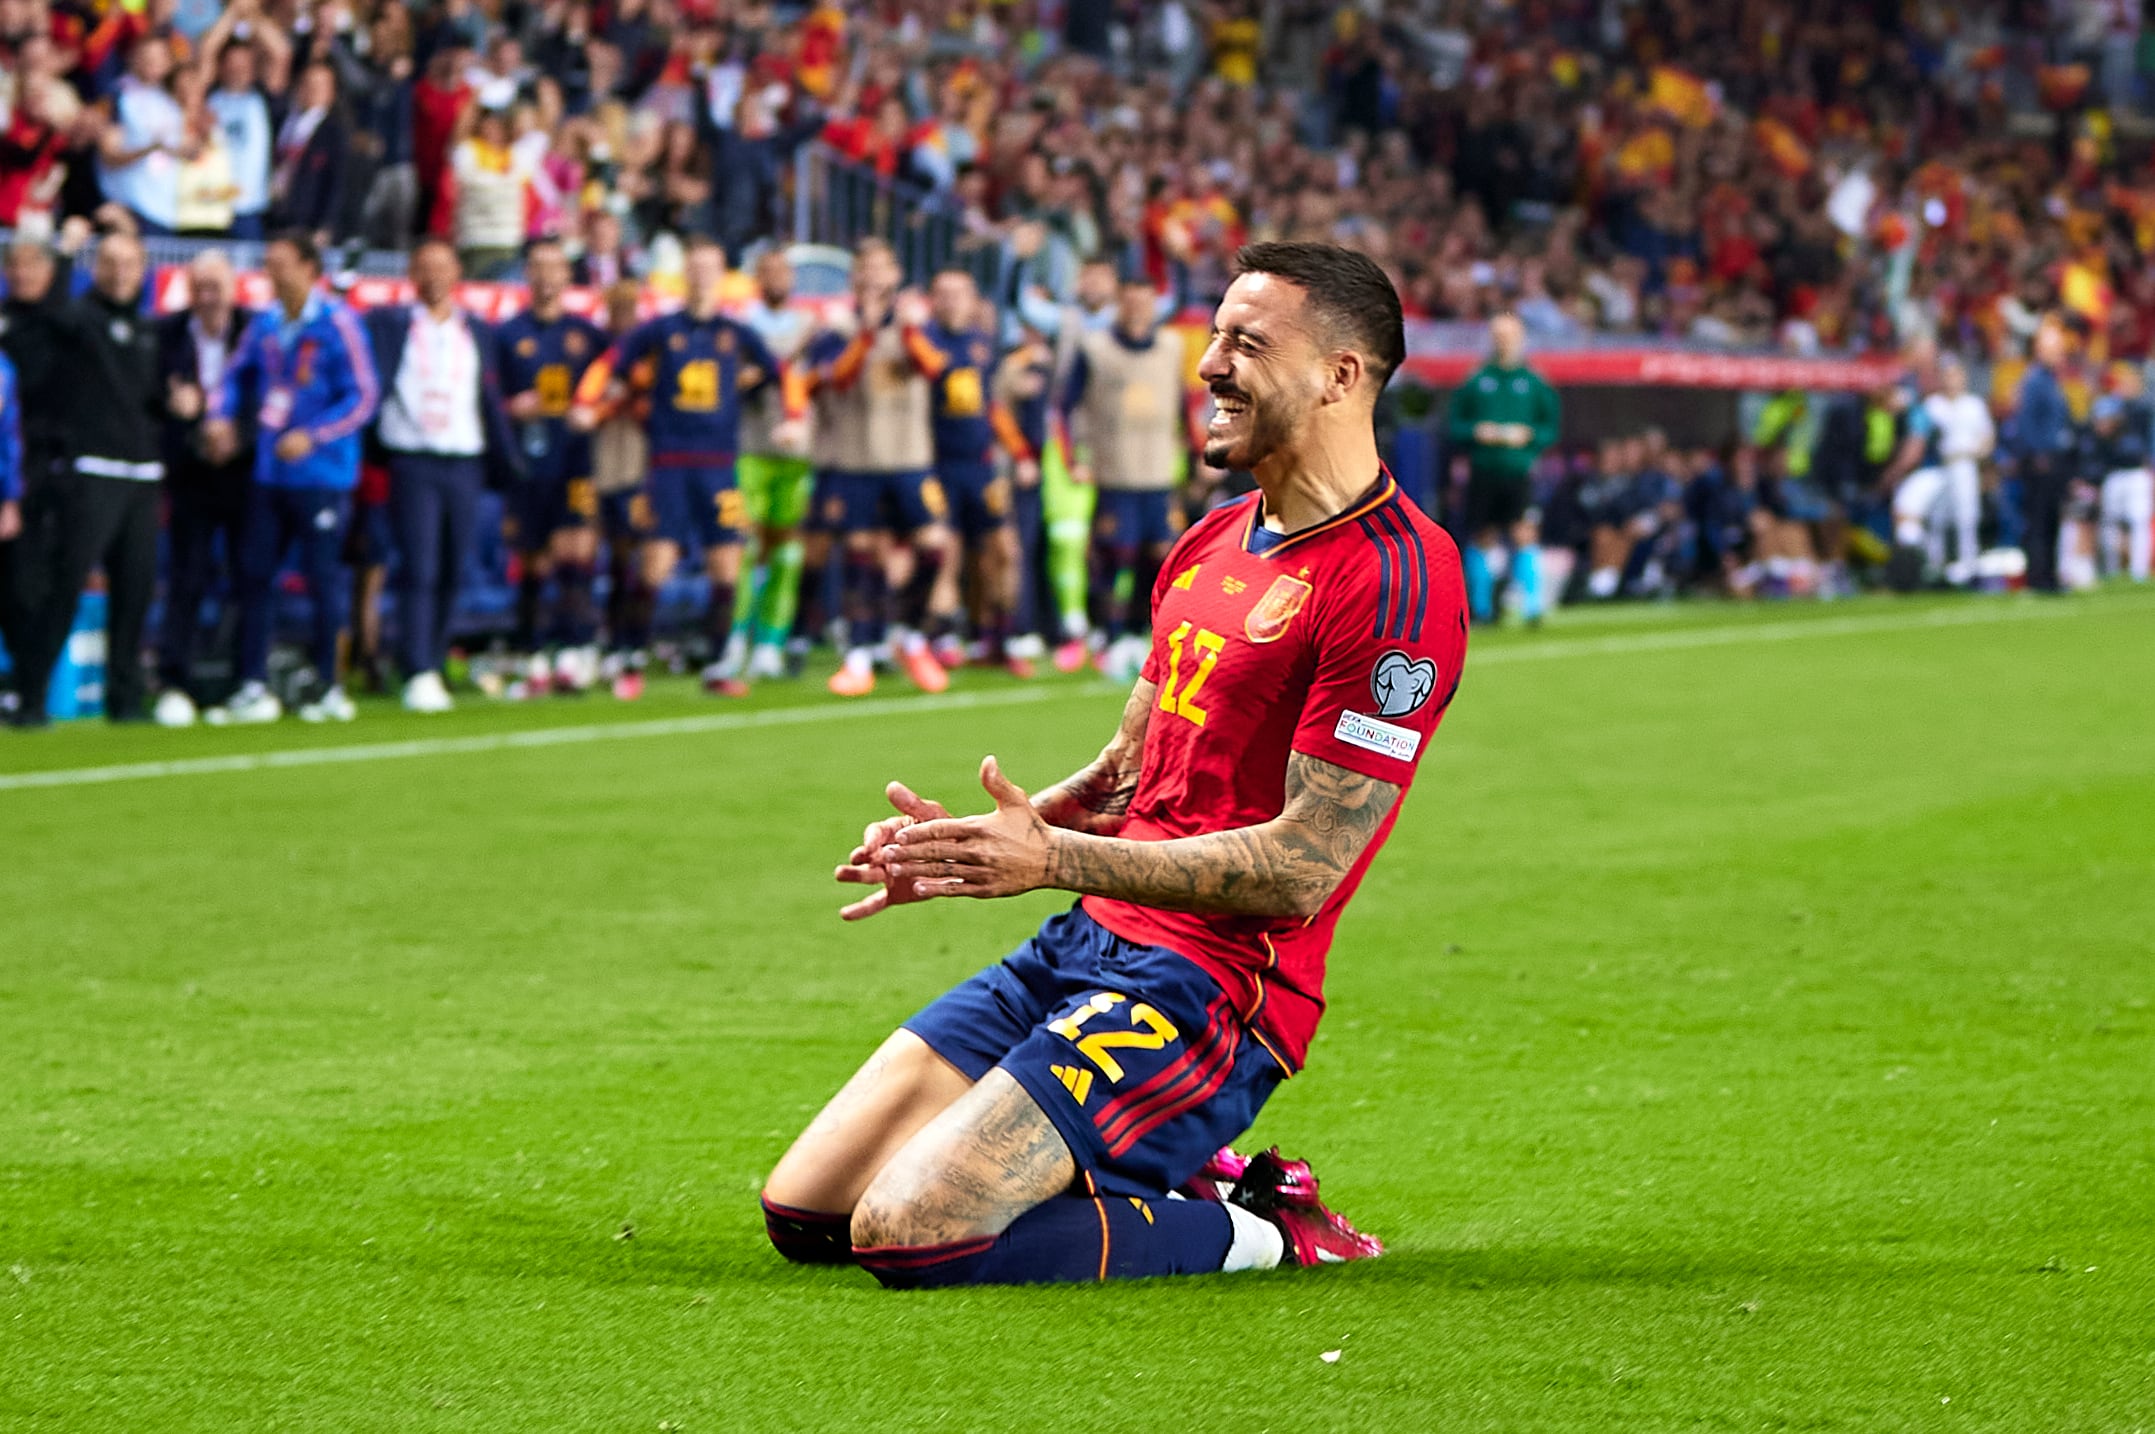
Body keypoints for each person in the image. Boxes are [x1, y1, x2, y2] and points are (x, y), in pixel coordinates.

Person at [760, 241, 1467, 1288]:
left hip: (1212, 989)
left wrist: (1048, 860)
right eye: (1213, 336)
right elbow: (1125, 780)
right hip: (1083, 946)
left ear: (1339, 375)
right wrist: (960, 849)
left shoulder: (1396, 581)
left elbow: (1303, 868)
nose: (1209, 365)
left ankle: (1265, 1227)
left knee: (912, 1234)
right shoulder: (1210, 544)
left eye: (1244, 342)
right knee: (807, 1214)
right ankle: (1177, 1176)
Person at [570, 235, 797, 698]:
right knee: (655, 562)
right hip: (669, 464)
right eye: (694, 267)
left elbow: (783, 374)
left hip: (719, 465)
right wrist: (585, 402)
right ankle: (630, 657)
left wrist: (794, 418)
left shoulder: (736, 333)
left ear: (722, 276)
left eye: (710, 267)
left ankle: (718, 663)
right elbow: (609, 363)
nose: (701, 275)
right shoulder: (659, 330)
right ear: (684, 275)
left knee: (726, 564)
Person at [200, 230, 379, 724]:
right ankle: (253, 684)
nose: (271, 273)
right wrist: (219, 416)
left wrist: (315, 435)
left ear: (308, 267)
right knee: (254, 577)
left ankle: (328, 684)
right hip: (269, 472)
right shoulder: (264, 325)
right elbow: (233, 377)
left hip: (322, 474)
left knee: (323, 581)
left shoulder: (339, 324)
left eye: (280, 263)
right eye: (268, 263)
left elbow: (363, 396)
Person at [11, 232, 167, 727]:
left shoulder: (149, 330)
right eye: (109, 262)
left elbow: (157, 400)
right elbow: (36, 331)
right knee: (65, 586)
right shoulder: (76, 320)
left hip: (143, 475)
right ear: (94, 268)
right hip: (91, 472)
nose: (119, 272)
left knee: (135, 591)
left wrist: (188, 408)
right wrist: (60, 255)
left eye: (129, 263)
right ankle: (30, 697)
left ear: (143, 269)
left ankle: (125, 700)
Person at [365, 237, 519, 714]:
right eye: (424, 267)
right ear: (412, 273)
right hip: (413, 457)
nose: (434, 276)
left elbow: (492, 395)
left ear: (458, 275)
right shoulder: (390, 325)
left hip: (465, 458)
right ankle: (415, 667)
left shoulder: (479, 331)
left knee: (454, 565)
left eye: (443, 267)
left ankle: (433, 658)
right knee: (420, 565)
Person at [799, 238, 950, 699]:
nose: (873, 277)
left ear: (895, 274)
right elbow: (836, 379)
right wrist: (864, 334)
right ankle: (859, 655)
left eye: (882, 268)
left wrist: (901, 329)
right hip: (855, 459)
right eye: (865, 268)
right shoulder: (834, 329)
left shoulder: (916, 326)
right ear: (854, 278)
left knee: (934, 545)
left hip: (909, 458)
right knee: (860, 553)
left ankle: (909, 634)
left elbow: (935, 369)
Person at [1058, 273, 1196, 677]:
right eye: (1130, 301)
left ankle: (1138, 632)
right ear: (1120, 303)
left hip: (1158, 473)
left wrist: (1195, 446)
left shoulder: (1171, 346)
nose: (1138, 309)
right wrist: (1072, 459)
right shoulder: (1095, 348)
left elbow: (1183, 402)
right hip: (1114, 473)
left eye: (1145, 300)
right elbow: (1061, 408)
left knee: (1159, 557)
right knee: (1112, 556)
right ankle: (1104, 634)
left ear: (1155, 304)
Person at [496, 238, 608, 695]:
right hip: (527, 462)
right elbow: (486, 401)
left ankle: (575, 648)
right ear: (526, 273)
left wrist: (594, 411)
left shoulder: (587, 335)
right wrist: (511, 408)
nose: (546, 276)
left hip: (575, 460)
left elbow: (614, 384)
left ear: (567, 276)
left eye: (555, 267)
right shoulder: (507, 335)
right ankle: (531, 651)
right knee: (532, 559)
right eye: (537, 267)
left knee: (576, 551)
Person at [152, 250, 256, 727]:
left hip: (246, 474)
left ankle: (243, 679)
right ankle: (175, 680)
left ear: (235, 288)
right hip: (191, 474)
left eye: (217, 286)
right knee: (187, 578)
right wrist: (186, 418)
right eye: (201, 287)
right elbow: (150, 400)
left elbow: (275, 393)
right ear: (188, 291)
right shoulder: (165, 334)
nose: (209, 297)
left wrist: (238, 433)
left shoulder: (257, 331)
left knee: (249, 578)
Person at [917, 267, 1034, 674]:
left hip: (981, 467)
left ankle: (998, 639)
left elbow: (991, 407)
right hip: (938, 465)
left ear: (972, 301)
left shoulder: (981, 345)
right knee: (946, 553)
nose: (951, 302)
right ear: (933, 300)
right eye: (943, 294)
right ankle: (942, 636)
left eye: (959, 294)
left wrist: (1019, 452)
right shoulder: (924, 344)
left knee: (1003, 551)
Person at [732, 248, 816, 681]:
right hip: (752, 444)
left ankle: (772, 641)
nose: (776, 278)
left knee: (786, 550)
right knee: (746, 547)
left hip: (797, 454)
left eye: (782, 271)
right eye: (768, 271)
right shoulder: (741, 326)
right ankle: (735, 636)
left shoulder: (810, 325)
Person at [1444, 313, 1560, 624]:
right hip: (1484, 469)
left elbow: (1550, 428)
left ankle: (1533, 607)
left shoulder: (1534, 382)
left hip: (1518, 470)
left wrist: (1531, 436)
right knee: (1483, 534)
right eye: (1498, 335)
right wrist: (1476, 432)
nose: (1503, 341)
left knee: (1523, 533)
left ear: (1520, 339)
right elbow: (1455, 425)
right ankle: (1482, 609)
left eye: (1509, 336)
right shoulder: (1476, 380)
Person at [1891, 356, 1994, 586]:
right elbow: (1919, 433)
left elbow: (1987, 438)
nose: (1952, 381)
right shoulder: (1933, 405)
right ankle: (1935, 566)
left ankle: (1969, 565)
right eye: (1947, 376)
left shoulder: (1974, 404)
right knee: (1937, 517)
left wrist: (1978, 455)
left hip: (1966, 464)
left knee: (1967, 516)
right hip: (1940, 467)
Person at [991, 321, 1056, 665]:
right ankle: (1018, 627)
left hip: (1046, 468)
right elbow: (999, 412)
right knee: (1015, 548)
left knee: (1035, 548)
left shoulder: (1038, 364)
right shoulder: (1013, 366)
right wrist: (1022, 456)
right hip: (1017, 469)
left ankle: (1036, 626)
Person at [96, 37, 187, 237]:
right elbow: (110, 154)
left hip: (165, 210)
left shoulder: (171, 103)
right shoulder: (120, 95)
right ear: (134, 58)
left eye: (159, 57)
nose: (152, 62)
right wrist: (149, 148)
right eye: (146, 56)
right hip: (129, 208)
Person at [2012, 320, 2075, 595]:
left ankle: (2049, 574)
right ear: (2040, 350)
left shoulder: (2051, 381)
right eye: (2055, 349)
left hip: (2056, 458)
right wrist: (2036, 453)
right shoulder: (2035, 380)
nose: (2060, 354)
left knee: (2052, 519)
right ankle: (2037, 576)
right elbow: (2026, 421)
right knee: (2038, 519)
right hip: (2041, 460)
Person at [2096, 370, 2153, 583]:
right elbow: (2101, 434)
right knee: (2110, 522)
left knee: (2139, 520)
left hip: (2137, 471)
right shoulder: (2110, 407)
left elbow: (2149, 440)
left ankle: (2139, 571)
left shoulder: (2143, 409)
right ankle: (2112, 570)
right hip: (2114, 471)